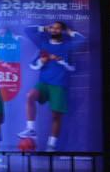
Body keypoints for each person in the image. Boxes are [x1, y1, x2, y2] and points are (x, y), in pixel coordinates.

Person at [21, 19, 80, 152]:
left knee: (55, 116)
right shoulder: (44, 43)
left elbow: (73, 66)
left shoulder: (67, 46)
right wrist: (44, 28)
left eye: (58, 28)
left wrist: (61, 61)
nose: (54, 29)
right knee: (29, 96)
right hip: (43, 83)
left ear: (63, 31)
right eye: (52, 27)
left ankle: (51, 146)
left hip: (59, 84)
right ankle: (31, 129)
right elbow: (27, 30)